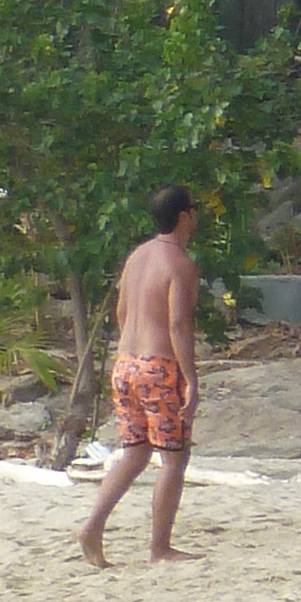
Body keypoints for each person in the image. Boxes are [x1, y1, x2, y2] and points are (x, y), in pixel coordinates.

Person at [80, 184, 204, 566]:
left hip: (125, 363)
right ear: (184, 215)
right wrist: (192, 380)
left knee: (134, 453)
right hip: (158, 366)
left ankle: (92, 527)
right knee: (174, 459)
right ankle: (160, 547)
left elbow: (121, 311)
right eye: (195, 208)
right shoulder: (179, 264)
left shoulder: (137, 256)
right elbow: (178, 325)